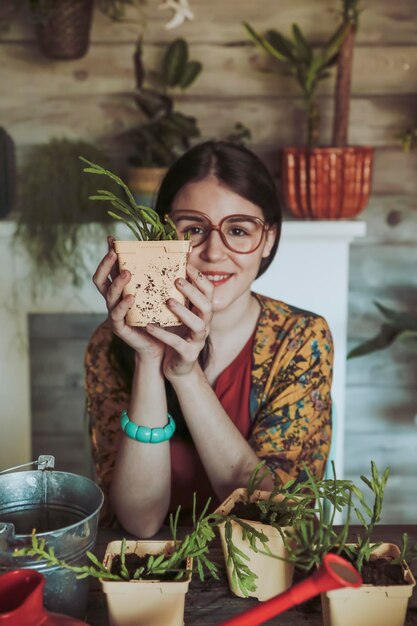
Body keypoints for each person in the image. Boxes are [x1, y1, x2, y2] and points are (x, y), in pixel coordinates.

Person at [85, 140, 333, 537]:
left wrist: (185, 377)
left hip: (264, 566)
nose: (214, 252)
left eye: (238, 230)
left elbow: (272, 516)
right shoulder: (113, 343)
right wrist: (150, 360)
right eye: (194, 229)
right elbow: (140, 522)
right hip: (158, 568)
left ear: (267, 239)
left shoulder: (301, 340)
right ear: (161, 236)